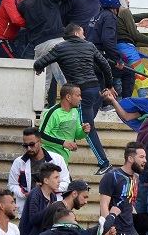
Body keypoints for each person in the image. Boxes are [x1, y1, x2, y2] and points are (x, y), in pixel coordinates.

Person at [34, 23, 114, 173]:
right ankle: (76, 148)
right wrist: (108, 85)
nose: (85, 36)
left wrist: (38, 69)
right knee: (85, 125)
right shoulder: (89, 46)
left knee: (87, 127)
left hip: (78, 93)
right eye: (83, 33)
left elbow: (40, 63)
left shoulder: (60, 48)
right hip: (94, 90)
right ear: (77, 33)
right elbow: (105, 65)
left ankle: (104, 163)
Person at [99, 142, 148, 235]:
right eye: (142, 157)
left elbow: (128, 204)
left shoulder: (136, 178)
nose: (145, 160)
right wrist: (108, 232)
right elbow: (104, 205)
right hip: (113, 231)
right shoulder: (112, 176)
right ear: (130, 159)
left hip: (130, 232)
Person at [18, 0, 71, 100]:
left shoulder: (23, 4)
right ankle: (72, 103)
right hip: (55, 42)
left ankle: (38, 107)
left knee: (42, 78)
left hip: (39, 45)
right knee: (62, 76)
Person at [8, 126, 70, 215]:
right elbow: (12, 185)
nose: (29, 148)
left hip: (53, 210)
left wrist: (48, 187)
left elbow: (66, 183)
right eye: (25, 145)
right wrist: (25, 194)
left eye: (32, 144)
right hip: (28, 209)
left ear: (40, 142)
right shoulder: (19, 162)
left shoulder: (57, 159)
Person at [39, 83, 90, 162]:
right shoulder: (53, 112)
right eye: (78, 95)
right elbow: (41, 136)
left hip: (64, 160)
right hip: (50, 159)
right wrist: (63, 143)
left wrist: (84, 131)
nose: (81, 99)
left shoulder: (75, 112)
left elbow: (77, 135)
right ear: (68, 97)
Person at [18, 162, 62, 235]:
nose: (59, 181)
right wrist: (52, 208)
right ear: (46, 180)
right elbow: (33, 219)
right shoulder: (35, 194)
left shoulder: (53, 196)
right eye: (56, 177)